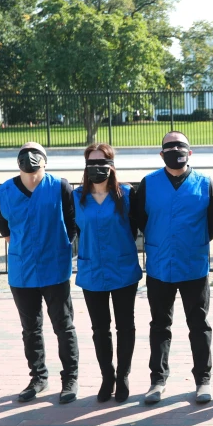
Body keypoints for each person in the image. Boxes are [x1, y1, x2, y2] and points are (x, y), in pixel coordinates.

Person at [132, 131, 213, 405]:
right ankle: (157, 380)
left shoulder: (205, 184)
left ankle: (203, 380)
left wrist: (191, 243)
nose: (175, 150)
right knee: (160, 325)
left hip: (193, 266)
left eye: (181, 146)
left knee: (199, 324)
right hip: (160, 267)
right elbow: (140, 219)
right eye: (169, 147)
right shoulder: (148, 185)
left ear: (190, 152)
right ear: (161, 154)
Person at [0, 142, 79, 404]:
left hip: (55, 269)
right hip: (22, 272)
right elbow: (5, 230)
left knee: (63, 326)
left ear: (46, 160)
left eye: (36, 153)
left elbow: (72, 224)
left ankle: (70, 378)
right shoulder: (4, 192)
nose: (30, 157)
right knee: (30, 329)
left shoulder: (60, 187)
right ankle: (38, 377)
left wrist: (56, 247)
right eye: (24, 152)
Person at [73, 143, 142, 403]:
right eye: (92, 162)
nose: (97, 167)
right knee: (100, 328)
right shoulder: (76, 196)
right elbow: (75, 229)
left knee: (125, 326)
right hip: (92, 271)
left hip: (123, 269)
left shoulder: (126, 194)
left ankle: (123, 376)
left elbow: (135, 228)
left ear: (112, 165)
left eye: (102, 162)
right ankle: (107, 377)